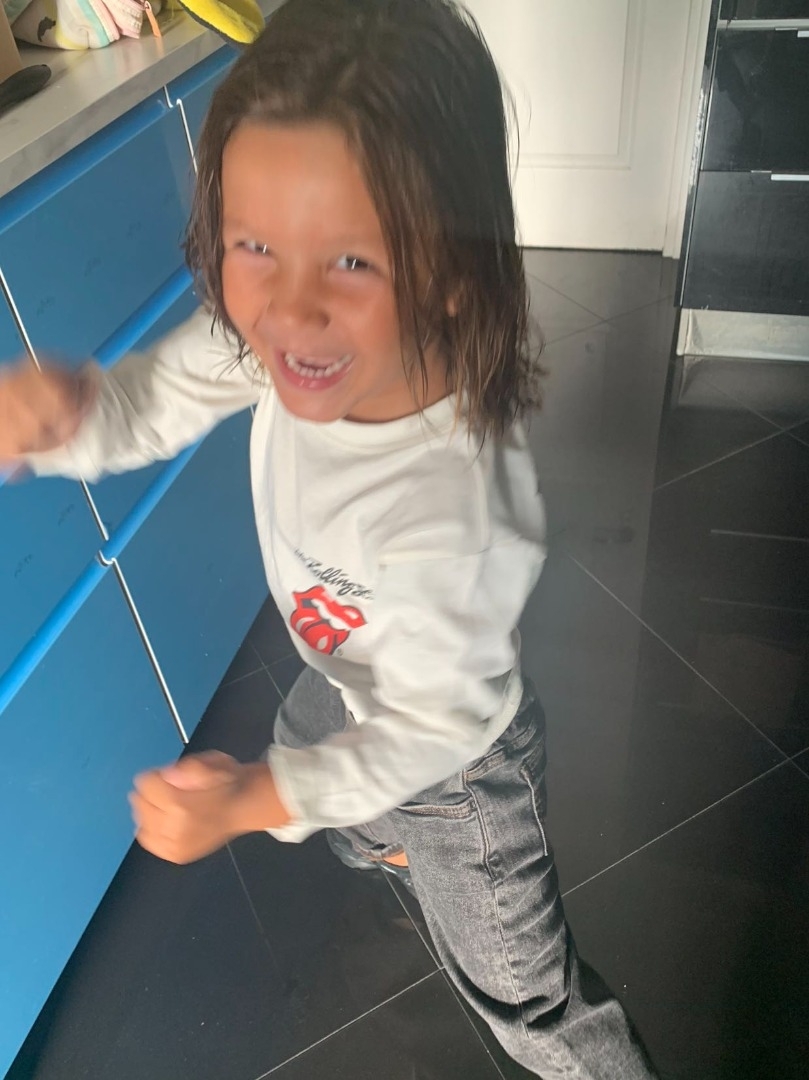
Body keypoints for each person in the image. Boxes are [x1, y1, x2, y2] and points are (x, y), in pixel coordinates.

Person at [0, 1, 658, 1075]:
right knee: (316, 762)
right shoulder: (276, 337)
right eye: (254, 244)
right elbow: (151, 404)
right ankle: (374, 831)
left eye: (349, 260)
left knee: (529, 1006)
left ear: (450, 267)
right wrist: (67, 417)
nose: (287, 308)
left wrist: (251, 802)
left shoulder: (452, 508)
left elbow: (431, 726)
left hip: (454, 758)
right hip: (346, 663)